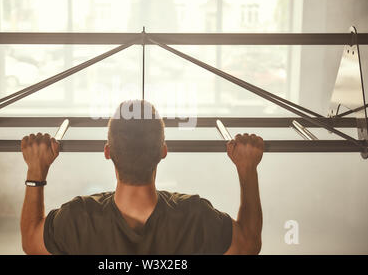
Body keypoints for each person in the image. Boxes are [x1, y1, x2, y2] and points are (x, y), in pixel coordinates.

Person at [20, 100, 264, 255]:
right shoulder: (195, 216)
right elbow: (249, 243)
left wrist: (36, 170)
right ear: (163, 151)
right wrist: (247, 169)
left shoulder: (78, 218)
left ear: (108, 152)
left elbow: (31, 242)